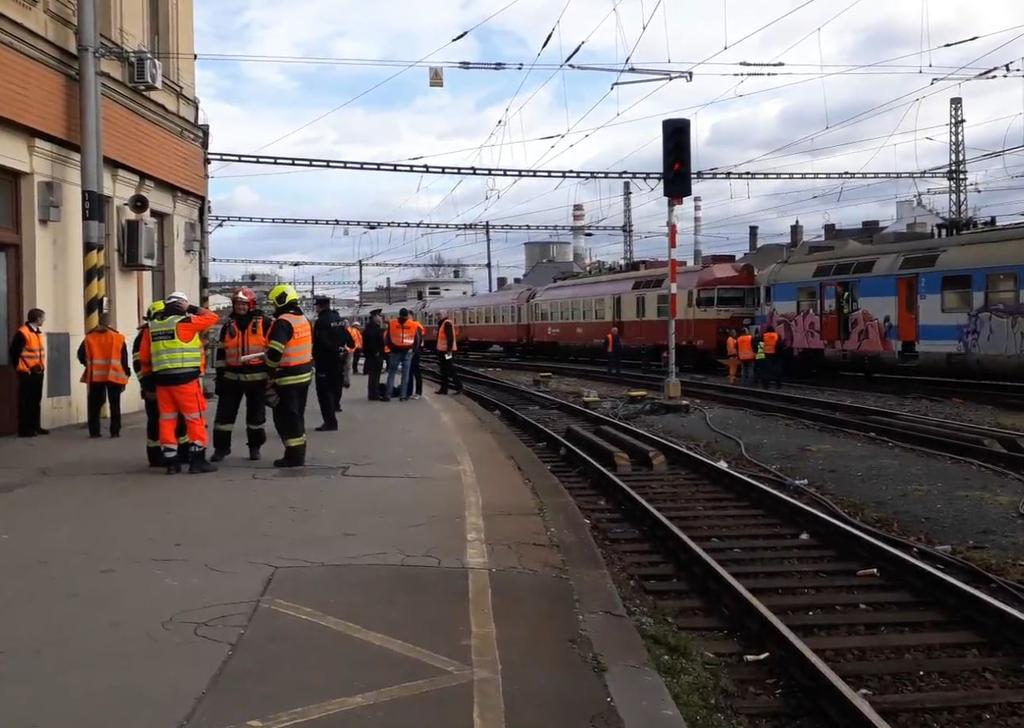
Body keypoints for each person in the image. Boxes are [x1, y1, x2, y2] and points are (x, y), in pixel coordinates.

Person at [140, 292, 218, 474]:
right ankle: (197, 461)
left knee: (167, 420)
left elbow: (144, 358)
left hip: (162, 382)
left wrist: (148, 383)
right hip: (186, 381)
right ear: (181, 306)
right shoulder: (186, 323)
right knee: (194, 418)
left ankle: (171, 462)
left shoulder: (151, 327)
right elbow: (212, 317)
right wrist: (190, 308)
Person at [211, 288, 273, 462]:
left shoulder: (265, 323)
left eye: (243, 304)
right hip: (231, 378)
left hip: (257, 378)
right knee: (224, 418)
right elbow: (221, 354)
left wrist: (271, 377)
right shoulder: (228, 325)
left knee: (256, 418)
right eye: (237, 304)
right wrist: (219, 378)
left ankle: (255, 448)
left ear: (251, 305)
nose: (240, 307)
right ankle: (221, 449)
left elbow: (273, 351)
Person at [265, 284, 313, 467]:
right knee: (297, 416)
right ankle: (298, 452)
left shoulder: (283, 322)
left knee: (286, 418)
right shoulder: (302, 319)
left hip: (287, 378)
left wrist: (268, 370)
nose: (273, 307)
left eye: (274, 303)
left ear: (281, 300)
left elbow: (275, 352)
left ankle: (294, 456)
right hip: (304, 376)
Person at [134, 301, 185, 466]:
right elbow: (138, 364)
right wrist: (147, 386)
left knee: (179, 421)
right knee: (156, 422)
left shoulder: (171, 330)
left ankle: (181, 454)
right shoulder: (145, 335)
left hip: (172, 385)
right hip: (154, 386)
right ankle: (156, 457)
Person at [77, 313, 129, 438]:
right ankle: (115, 431)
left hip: (96, 376)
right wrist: (126, 373)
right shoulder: (118, 338)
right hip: (114, 375)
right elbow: (124, 358)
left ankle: (94, 432)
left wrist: (89, 364)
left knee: (94, 405)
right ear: (110, 323)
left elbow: (80, 354)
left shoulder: (89, 337)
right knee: (114, 404)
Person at [312, 297, 353, 430]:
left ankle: (330, 422)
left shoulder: (321, 321)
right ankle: (335, 406)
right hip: (338, 360)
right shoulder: (339, 320)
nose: (315, 308)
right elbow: (350, 339)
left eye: (316, 305)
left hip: (325, 361)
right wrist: (341, 349)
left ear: (320, 306)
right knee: (336, 386)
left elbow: (321, 341)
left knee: (324, 393)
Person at [9, 308, 48, 437]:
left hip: (38, 372)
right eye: (43, 318)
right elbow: (14, 353)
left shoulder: (37, 332)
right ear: (37, 319)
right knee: (26, 401)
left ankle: (35, 426)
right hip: (27, 373)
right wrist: (22, 369)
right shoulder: (23, 333)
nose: (44, 320)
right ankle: (25, 430)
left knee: (36, 400)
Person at [384, 307, 418, 402]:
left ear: (399, 315)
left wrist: (390, 348)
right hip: (407, 352)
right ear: (407, 315)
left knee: (391, 373)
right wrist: (413, 350)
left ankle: (388, 395)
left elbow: (387, 338)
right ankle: (403, 396)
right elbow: (417, 339)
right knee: (405, 375)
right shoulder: (413, 324)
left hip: (395, 352)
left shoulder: (392, 323)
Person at [434, 311, 462, 395]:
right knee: (443, 370)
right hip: (442, 351)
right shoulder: (442, 324)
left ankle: (459, 387)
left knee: (450, 368)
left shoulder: (446, 324)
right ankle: (443, 389)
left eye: (439, 315)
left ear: (444, 315)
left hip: (447, 352)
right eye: (437, 315)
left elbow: (450, 338)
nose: (438, 316)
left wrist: (449, 350)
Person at [362, 309, 385, 400]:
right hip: (375, 355)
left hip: (372, 355)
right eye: (379, 316)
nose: (381, 318)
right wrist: (376, 352)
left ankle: (373, 393)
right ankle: (374, 394)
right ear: (375, 317)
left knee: (373, 375)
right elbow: (373, 342)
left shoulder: (370, 327)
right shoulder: (373, 328)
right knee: (375, 375)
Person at [408, 311, 425, 400]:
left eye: (408, 316)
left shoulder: (416, 326)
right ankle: (409, 391)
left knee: (416, 372)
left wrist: (413, 351)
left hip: (414, 353)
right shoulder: (411, 326)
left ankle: (418, 392)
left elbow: (418, 340)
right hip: (410, 352)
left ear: (411, 316)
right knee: (410, 372)